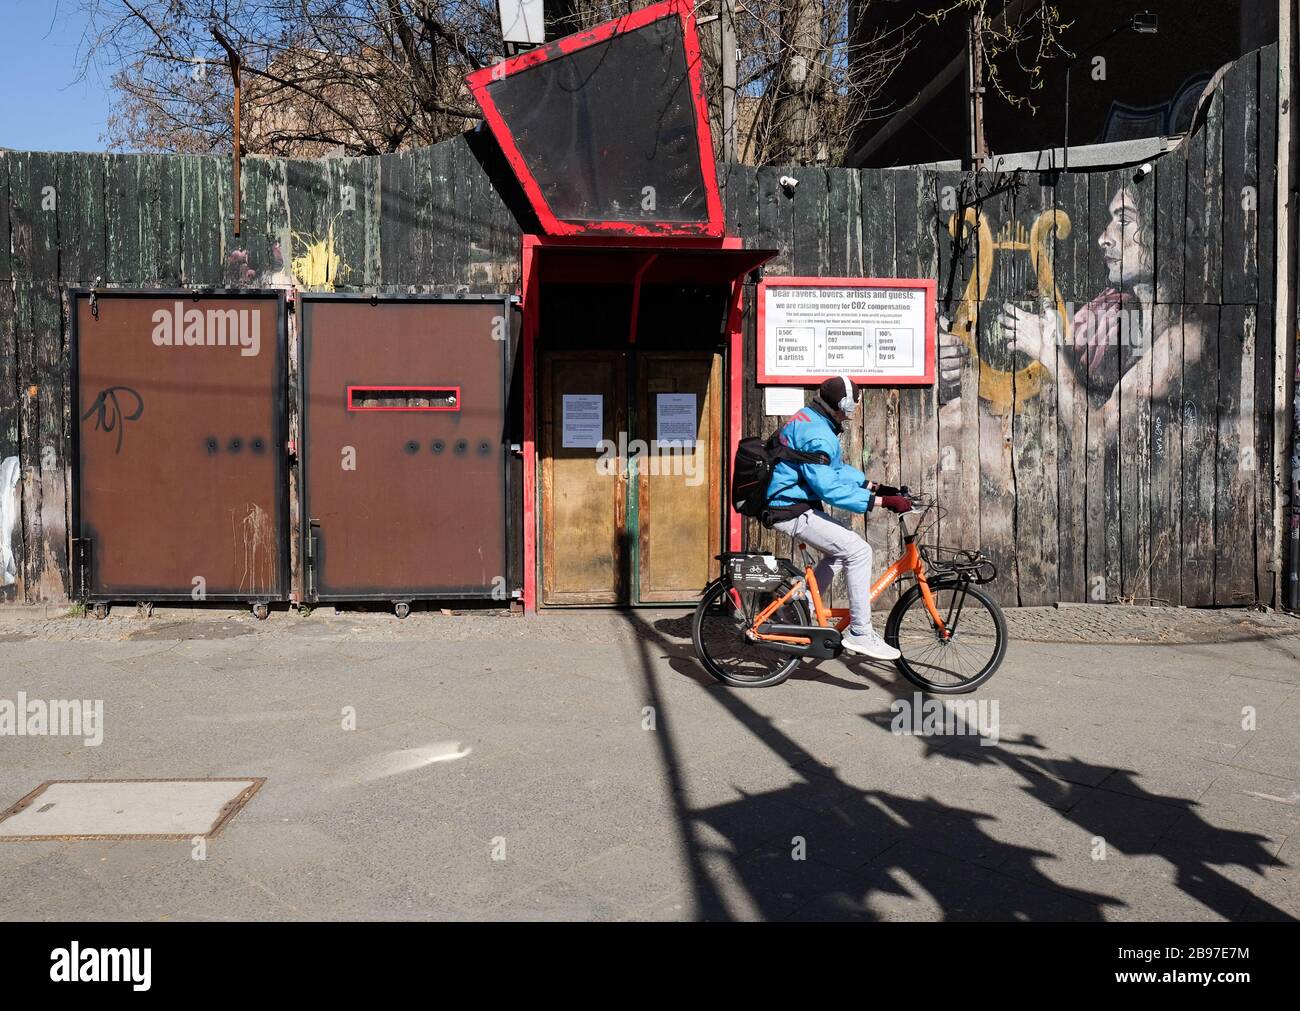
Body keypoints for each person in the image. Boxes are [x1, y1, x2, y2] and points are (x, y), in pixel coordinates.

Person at [765, 376, 913, 661]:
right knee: (858, 551)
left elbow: (832, 468)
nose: (854, 409)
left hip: (794, 503)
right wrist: (879, 502)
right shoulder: (817, 434)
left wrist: (873, 486)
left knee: (837, 553)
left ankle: (796, 608)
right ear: (842, 404)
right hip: (789, 508)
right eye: (852, 404)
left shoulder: (813, 420)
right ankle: (860, 631)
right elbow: (828, 487)